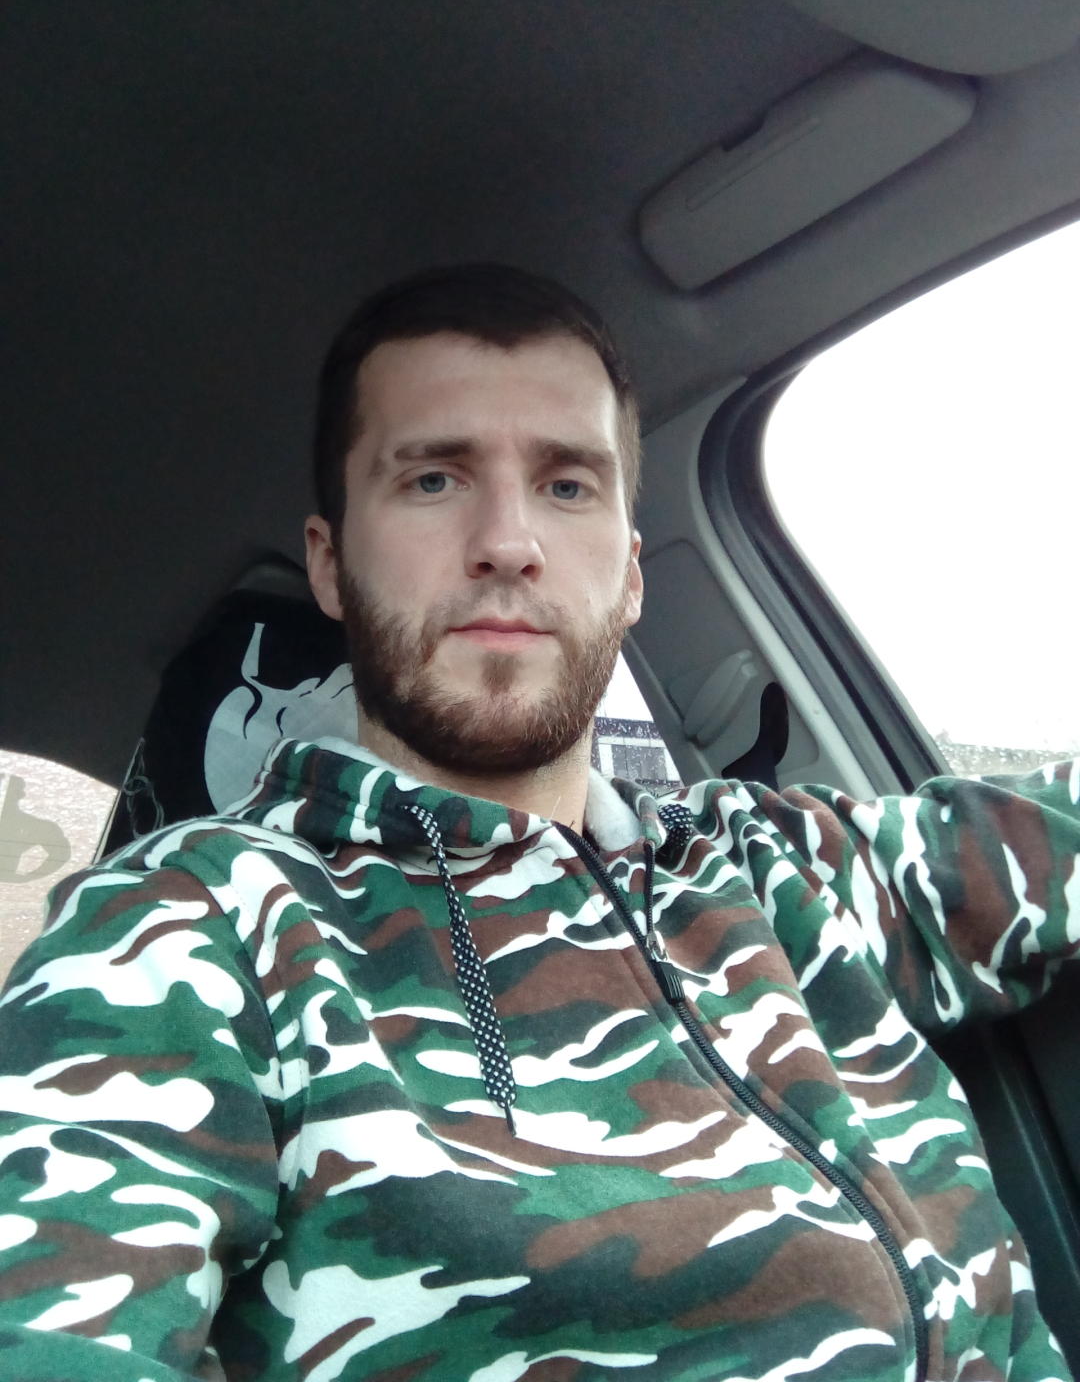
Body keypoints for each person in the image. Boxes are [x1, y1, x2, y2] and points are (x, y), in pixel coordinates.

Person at [0, 264, 1077, 1382]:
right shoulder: (188, 929)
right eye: (432, 479)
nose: (508, 540)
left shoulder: (774, 864)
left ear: (632, 578)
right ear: (331, 564)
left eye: (567, 486)